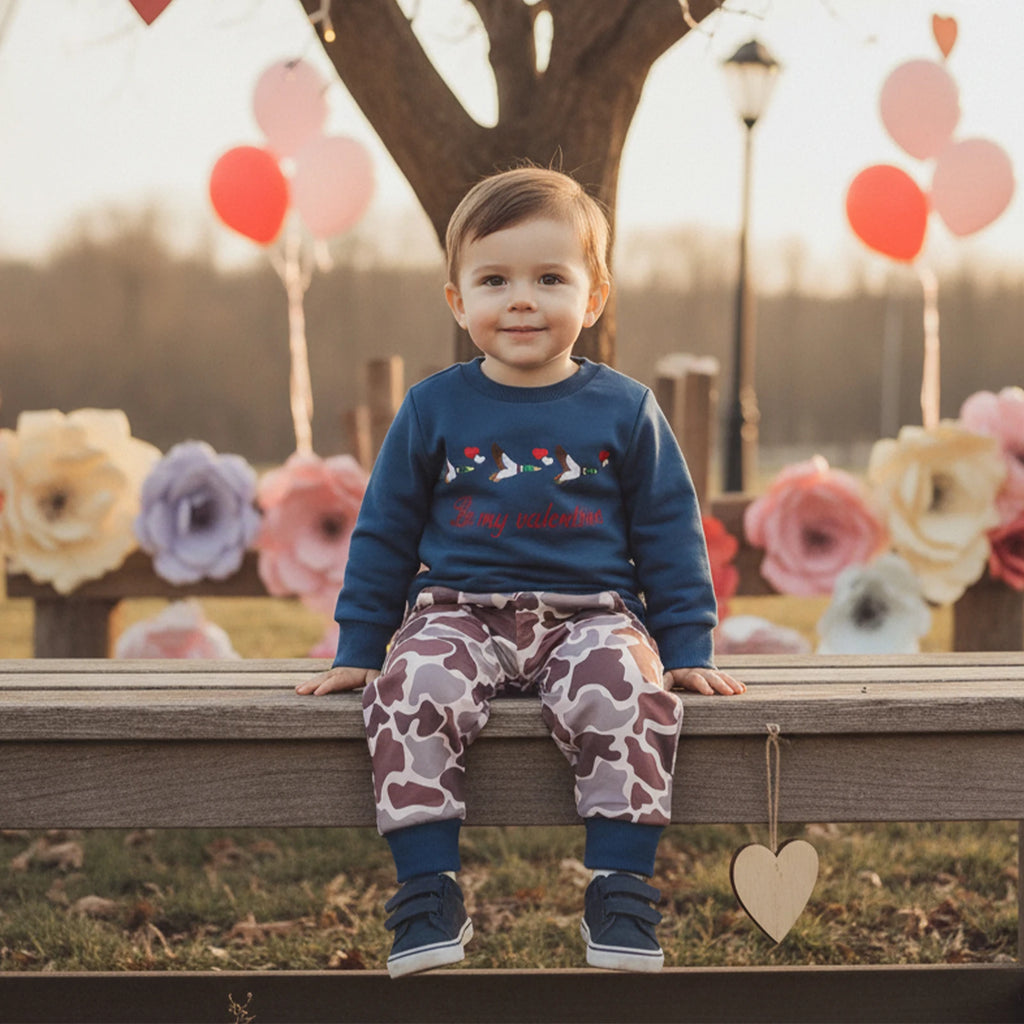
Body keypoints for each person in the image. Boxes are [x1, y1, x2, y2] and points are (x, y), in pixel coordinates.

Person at [298, 166, 745, 978]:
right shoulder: (434, 408)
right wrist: (361, 646)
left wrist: (688, 647)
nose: (522, 300)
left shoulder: (626, 408)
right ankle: (427, 892)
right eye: (495, 279)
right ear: (457, 301)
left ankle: (620, 889)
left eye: (550, 278)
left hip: (592, 615)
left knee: (626, 691)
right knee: (413, 687)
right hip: (458, 612)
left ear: (595, 296)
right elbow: (385, 533)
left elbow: (669, 534)